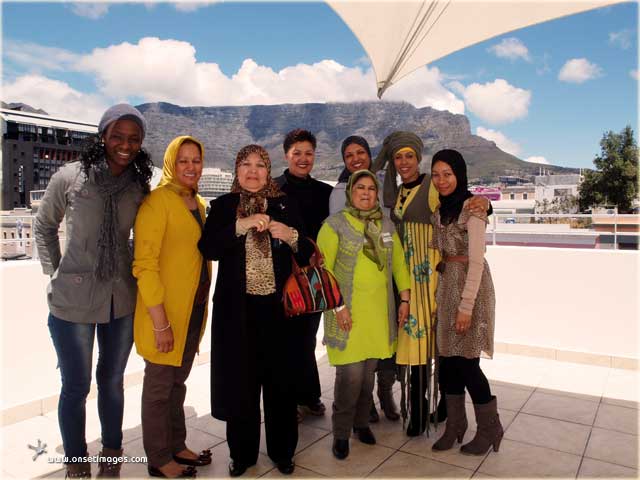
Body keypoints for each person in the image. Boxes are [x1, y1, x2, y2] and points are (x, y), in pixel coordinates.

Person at [34, 104, 153, 478]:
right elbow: (43, 227)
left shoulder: (137, 185)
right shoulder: (70, 177)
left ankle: (113, 453)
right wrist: (57, 274)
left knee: (112, 381)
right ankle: (75, 461)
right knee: (76, 386)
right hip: (73, 302)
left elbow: (143, 237)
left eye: (133, 139)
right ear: (102, 135)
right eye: (117, 135)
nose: (125, 144)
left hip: (122, 299)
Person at [198, 144, 308, 477]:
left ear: (268, 169)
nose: (253, 171)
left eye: (260, 165)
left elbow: (306, 253)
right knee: (240, 386)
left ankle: (283, 451)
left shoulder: (285, 204)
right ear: (236, 170)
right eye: (245, 164)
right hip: (237, 314)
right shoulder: (224, 206)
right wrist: (240, 225)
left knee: (281, 387)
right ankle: (242, 455)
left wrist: (290, 235)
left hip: (280, 313)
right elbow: (209, 248)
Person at [372, 131, 489, 437]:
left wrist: (485, 203)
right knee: (421, 345)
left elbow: (461, 204)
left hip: (432, 276)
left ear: (418, 158)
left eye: (409, 155)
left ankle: (432, 410)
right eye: (398, 157)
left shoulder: (431, 186)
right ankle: (429, 409)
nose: (404, 162)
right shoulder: (398, 193)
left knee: (434, 347)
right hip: (407, 276)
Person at [132, 136, 212, 478]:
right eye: (183, 161)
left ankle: (177, 445)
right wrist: (160, 323)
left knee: (178, 384)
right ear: (170, 164)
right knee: (159, 388)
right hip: (163, 314)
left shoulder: (200, 204)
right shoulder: (157, 203)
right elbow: (144, 266)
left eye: (196, 160)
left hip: (193, 311)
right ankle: (158, 457)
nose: (191, 167)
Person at [317, 170, 410, 460]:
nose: (367, 193)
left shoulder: (385, 224)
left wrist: (405, 297)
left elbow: (399, 264)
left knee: (367, 377)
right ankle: (341, 433)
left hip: (378, 315)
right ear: (350, 192)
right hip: (346, 313)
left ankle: (360, 425)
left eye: (372, 188)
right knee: (349, 379)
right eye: (361, 187)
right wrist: (338, 307)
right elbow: (323, 272)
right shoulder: (333, 226)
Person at [430, 149, 502, 455]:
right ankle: (455, 425)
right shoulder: (440, 211)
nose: (441, 180)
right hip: (447, 289)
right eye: (436, 174)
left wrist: (465, 306)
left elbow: (475, 261)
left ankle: (490, 429)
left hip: (470, 291)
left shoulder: (473, 209)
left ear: (459, 174)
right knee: (448, 364)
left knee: (469, 365)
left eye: (447, 174)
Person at [328, 135, 401, 424]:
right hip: (356, 281)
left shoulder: (382, 185)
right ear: (343, 160)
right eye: (349, 155)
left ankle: (385, 394)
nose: (356, 158)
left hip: (385, 274)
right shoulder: (338, 192)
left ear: (370, 155)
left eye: (360, 152)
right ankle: (363, 402)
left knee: (385, 340)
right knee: (355, 346)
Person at [274, 129, 332, 421]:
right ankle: (289, 399)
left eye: (308, 153)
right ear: (286, 155)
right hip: (280, 277)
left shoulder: (325, 192)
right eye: (297, 153)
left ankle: (309, 395)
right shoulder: (272, 188)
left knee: (307, 338)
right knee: (285, 341)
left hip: (312, 275)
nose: (303, 158)